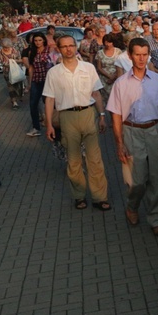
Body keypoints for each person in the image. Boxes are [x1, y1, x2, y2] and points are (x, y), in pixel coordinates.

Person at [107, 38, 158, 235]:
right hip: (131, 131)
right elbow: (116, 116)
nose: (142, 58)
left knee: (157, 178)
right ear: (130, 55)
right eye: (138, 54)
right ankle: (132, 206)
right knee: (137, 180)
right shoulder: (120, 83)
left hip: (154, 130)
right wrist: (119, 143)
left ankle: (155, 217)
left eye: (145, 54)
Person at [43, 35, 111, 211]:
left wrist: (102, 115)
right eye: (64, 46)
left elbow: (96, 94)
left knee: (94, 159)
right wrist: (49, 124)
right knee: (73, 160)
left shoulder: (88, 68)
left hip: (88, 114)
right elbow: (49, 100)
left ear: (76, 46)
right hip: (67, 116)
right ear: (58, 48)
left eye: (71, 45)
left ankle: (99, 197)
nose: (68, 49)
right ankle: (79, 196)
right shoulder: (54, 72)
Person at [26, 33, 51, 137]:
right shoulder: (32, 51)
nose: (37, 42)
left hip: (48, 81)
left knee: (50, 104)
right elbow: (31, 68)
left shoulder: (49, 50)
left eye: (40, 40)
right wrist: (30, 83)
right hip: (36, 80)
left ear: (44, 40)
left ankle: (53, 124)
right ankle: (36, 127)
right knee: (33, 104)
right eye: (35, 40)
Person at [0, 38, 24, 109]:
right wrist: (3, 63)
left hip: (16, 71)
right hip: (7, 72)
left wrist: (14, 61)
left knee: (18, 85)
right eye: (4, 47)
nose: (6, 48)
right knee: (10, 87)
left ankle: (19, 95)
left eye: (7, 47)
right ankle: (14, 102)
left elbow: (21, 60)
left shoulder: (14, 51)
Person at [95, 34, 122, 100]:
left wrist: (113, 77)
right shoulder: (100, 53)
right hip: (104, 79)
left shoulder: (118, 51)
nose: (107, 44)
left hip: (116, 77)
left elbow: (121, 66)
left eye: (109, 42)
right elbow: (99, 67)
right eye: (106, 42)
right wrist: (109, 77)